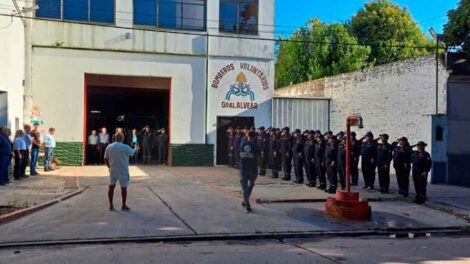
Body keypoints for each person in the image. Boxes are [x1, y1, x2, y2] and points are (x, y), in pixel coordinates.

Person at [104, 133, 138, 211]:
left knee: (111, 187)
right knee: (123, 188)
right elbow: (133, 152)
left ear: (115, 138)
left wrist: (109, 166)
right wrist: (136, 146)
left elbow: (105, 158)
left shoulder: (109, 147)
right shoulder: (125, 147)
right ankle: (123, 205)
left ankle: (111, 205)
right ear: (122, 139)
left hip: (113, 170)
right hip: (123, 170)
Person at [239, 131, 260, 213]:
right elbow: (259, 156)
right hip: (252, 170)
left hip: (243, 168)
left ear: (247, 136)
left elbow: (239, 155)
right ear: (254, 137)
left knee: (244, 188)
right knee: (251, 184)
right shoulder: (255, 145)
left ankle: (245, 201)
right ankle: (247, 204)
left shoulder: (242, 144)